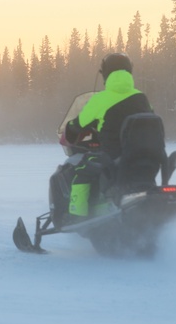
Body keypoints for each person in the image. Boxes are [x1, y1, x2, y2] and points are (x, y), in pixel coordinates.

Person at [61, 52, 152, 217]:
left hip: (113, 157)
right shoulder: (142, 98)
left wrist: (71, 129)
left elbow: (78, 124)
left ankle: (77, 217)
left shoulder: (100, 100)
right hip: (146, 158)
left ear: (106, 74)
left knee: (81, 170)